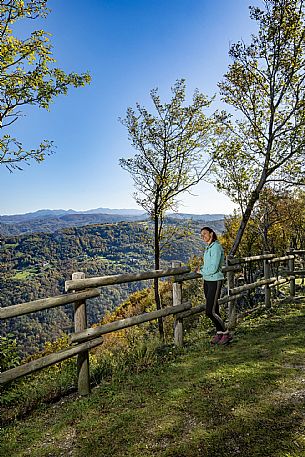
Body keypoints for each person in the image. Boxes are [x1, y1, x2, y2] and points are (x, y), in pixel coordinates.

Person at [198, 226, 232, 345]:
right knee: (215, 309)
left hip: (215, 281)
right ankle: (219, 333)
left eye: (205, 234)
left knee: (209, 311)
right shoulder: (208, 248)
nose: (203, 236)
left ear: (211, 234)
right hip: (207, 281)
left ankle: (226, 333)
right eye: (201, 235)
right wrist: (202, 269)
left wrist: (201, 271)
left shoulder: (216, 247)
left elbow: (213, 268)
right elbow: (207, 265)